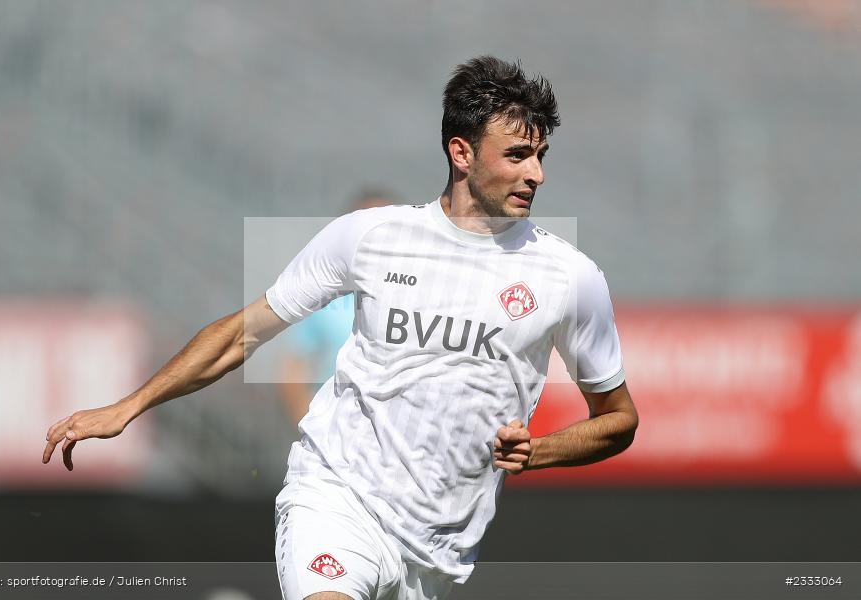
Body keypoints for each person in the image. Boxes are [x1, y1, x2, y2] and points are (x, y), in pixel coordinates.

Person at [43, 56, 638, 600]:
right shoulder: (371, 237)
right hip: (336, 497)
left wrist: (541, 451)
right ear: (461, 153)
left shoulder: (570, 277)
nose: (536, 174)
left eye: (540, 156)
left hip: (439, 554)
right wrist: (129, 406)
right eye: (517, 156)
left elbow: (618, 420)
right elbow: (240, 334)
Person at [277, 189, 398, 426]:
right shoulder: (324, 299)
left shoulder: (416, 299)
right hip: (336, 435)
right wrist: (315, 427)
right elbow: (292, 370)